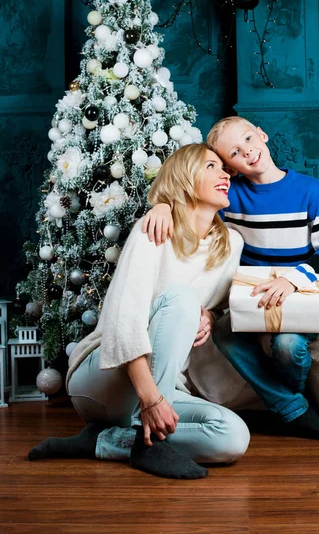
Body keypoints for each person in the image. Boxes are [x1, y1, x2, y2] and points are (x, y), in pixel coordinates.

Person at [28, 143, 251, 479]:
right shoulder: (154, 229)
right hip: (105, 376)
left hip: (161, 390)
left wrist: (209, 316)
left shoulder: (230, 244)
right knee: (182, 298)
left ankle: (103, 442)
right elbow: (123, 321)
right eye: (211, 166)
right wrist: (150, 401)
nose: (225, 175)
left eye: (225, 168)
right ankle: (151, 444)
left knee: (232, 437)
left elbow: (218, 307)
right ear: (185, 178)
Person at [143, 117, 319, 442]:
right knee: (224, 335)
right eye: (236, 153)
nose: (249, 152)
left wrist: (292, 280)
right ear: (232, 168)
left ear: (262, 134)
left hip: (300, 297)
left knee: (287, 345)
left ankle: (289, 410)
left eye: (249, 140)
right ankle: (294, 411)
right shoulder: (230, 196)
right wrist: (160, 207)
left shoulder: (309, 190)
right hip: (252, 300)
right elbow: (188, 201)